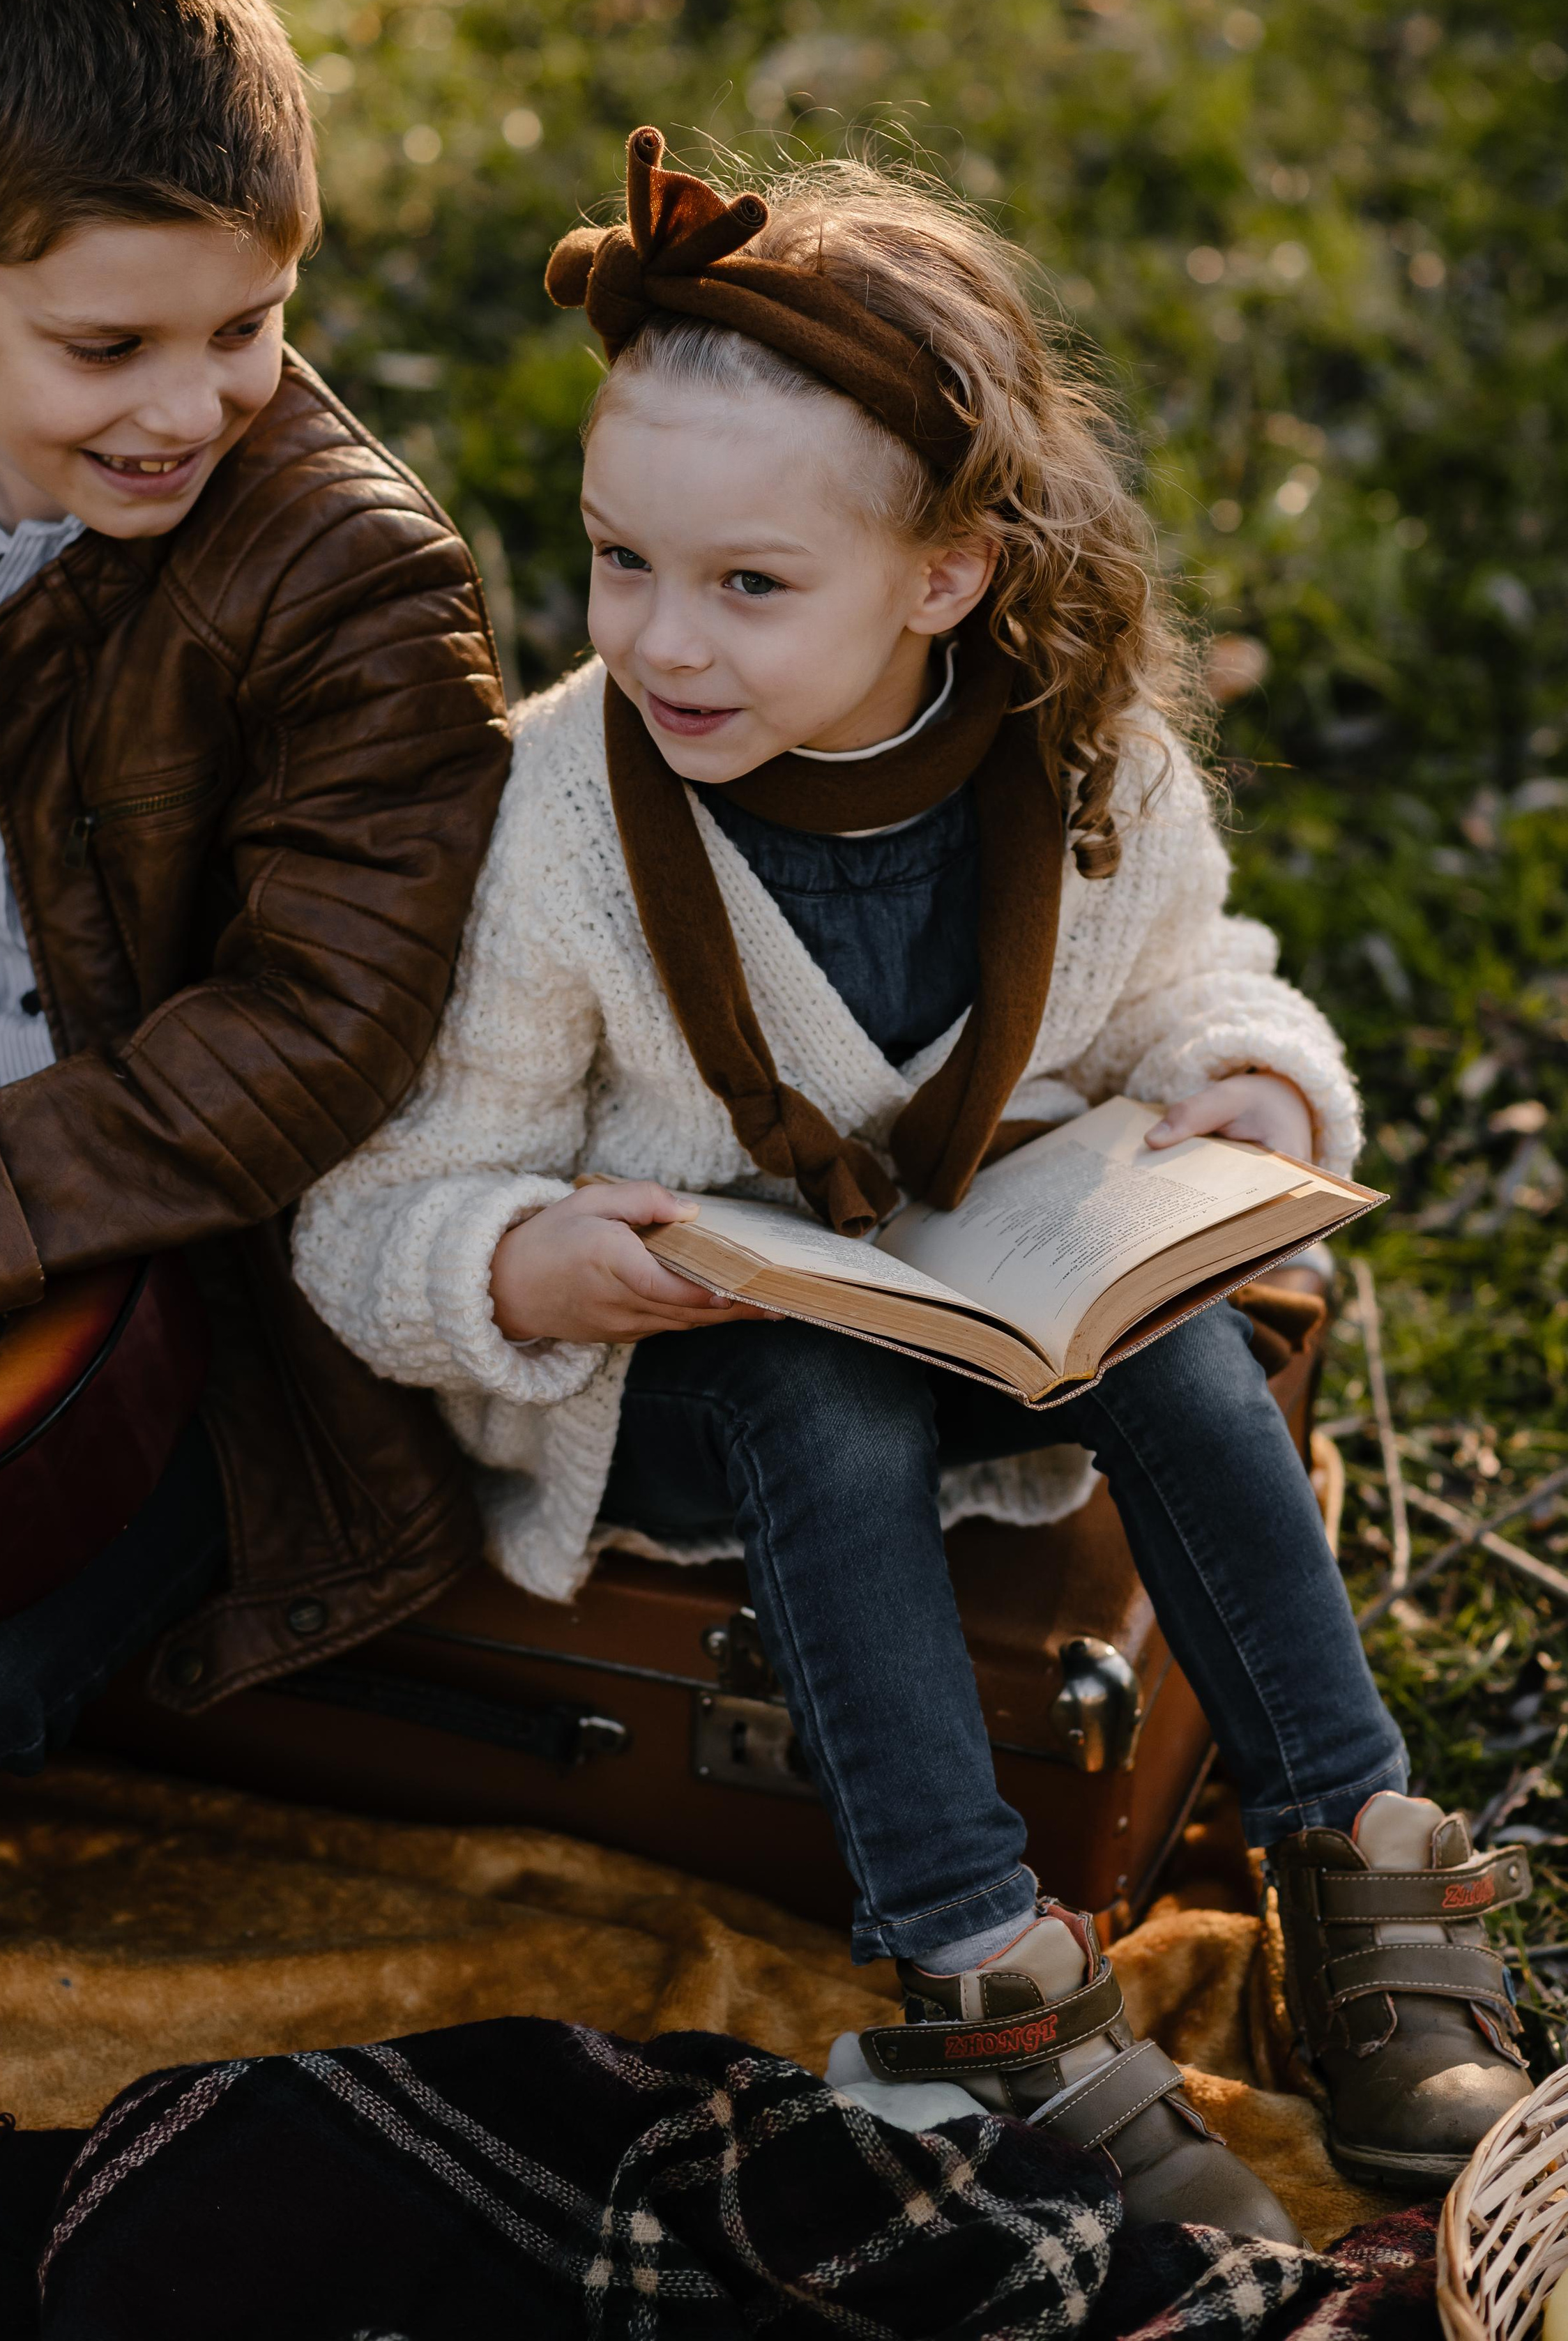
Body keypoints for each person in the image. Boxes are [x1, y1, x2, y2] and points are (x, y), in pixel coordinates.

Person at [294, 125, 1533, 2235]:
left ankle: (1360, 1865)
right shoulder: (557, 824)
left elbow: (1199, 985)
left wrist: (1252, 1089)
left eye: (750, 585)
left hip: (984, 1329)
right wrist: (525, 1261)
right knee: (817, 1385)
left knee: (1180, 1339)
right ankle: (981, 1981)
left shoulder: (1088, 769)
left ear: (944, 576)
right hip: (677, 1382)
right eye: (618, 560)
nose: (664, 638)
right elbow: (374, 1201)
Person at [0, 0, 509, 1852]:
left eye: (247, 327)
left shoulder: (356, 584)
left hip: (210, 1252)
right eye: (106, 346)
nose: (189, 406)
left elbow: (320, 1028)